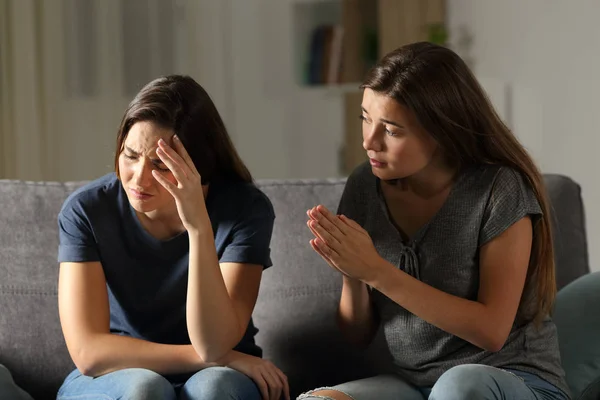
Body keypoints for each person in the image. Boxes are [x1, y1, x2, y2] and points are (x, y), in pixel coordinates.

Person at [300, 42, 570, 400]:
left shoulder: (499, 189)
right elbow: (357, 335)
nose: (369, 141)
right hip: (416, 386)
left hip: (512, 379)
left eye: (392, 130)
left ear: (442, 132)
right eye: (365, 118)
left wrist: (377, 271)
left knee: (458, 387)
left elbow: (491, 331)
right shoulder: (364, 186)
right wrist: (352, 272)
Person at [56, 75, 289, 400]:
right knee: (146, 389)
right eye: (131, 155)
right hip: (118, 374)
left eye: (160, 165)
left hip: (220, 375)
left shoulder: (245, 210)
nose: (139, 179)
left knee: (214, 390)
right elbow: (89, 353)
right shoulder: (86, 211)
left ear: (201, 165)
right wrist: (227, 357)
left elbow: (214, 343)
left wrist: (198, 228)